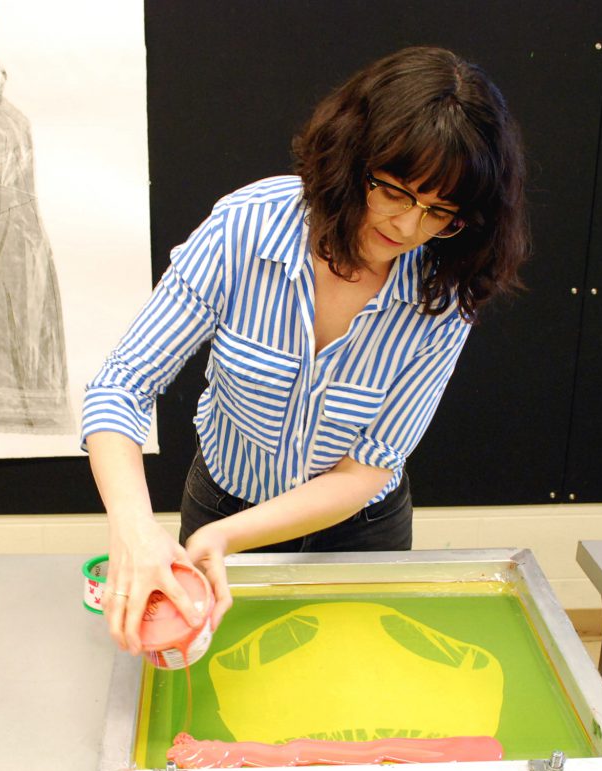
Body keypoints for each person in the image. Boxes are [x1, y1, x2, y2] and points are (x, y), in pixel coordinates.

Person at [82, 46, 529, 654]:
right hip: (222, 498)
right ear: (353, 157)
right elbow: (123, 384)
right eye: (395, 191)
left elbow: (368, 466)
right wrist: (135, 530)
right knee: (220, 699)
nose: (407, 227)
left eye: (439, 212)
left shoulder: (444, 290)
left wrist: (229, 538)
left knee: (350, 699)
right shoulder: (246, 228)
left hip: (362, 531)